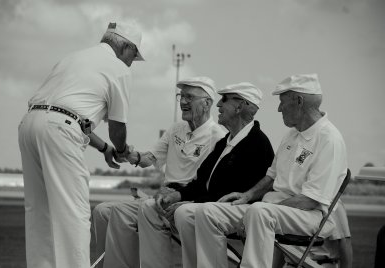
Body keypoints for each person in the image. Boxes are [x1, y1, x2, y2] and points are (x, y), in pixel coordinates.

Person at [18, 22, 144, 268]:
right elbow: (117, 127)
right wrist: (119, 149)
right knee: (73, 214)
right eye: (134, 56)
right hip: (59, 129)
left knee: (39, 212)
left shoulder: (72, 58)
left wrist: (104, 148)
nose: (132, 62)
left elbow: (75, 119)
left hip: (30, 125)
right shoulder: (119, 68)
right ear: (126, 46)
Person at [191, 73, 348, 268]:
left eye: (282, 102)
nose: (279, 108)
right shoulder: (291, 135)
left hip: (310, 216)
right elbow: (271, 177)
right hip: (272, 210)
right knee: (206, 212)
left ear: (298, 101)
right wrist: (247, 196)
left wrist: (263, 209)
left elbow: (311, 199)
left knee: (258, 212)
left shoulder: (329, 139)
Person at [92, 76, 226, 268]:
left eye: (189, 97)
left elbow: (208, 183)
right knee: (102, 211)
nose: (183, 102)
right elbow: (151, 159)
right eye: (181, 96)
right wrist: (130, 154)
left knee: (149, 207)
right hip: (161, 196)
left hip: (187, 199)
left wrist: (179, 195)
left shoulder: (218, 137)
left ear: (207, 103)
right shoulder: (176, 129)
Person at [138, 82, 275, 268]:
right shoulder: (225, 142)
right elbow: (201, 182)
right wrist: (177, 195)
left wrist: (194, 202)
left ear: (240, 106)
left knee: (187, 213)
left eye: (224, 100)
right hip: (213, 205)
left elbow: (232, 192)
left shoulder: (257, 144)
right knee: (161, 207)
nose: (218, 105)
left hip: (239, 209)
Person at [273, 200, 353, 268]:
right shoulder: (289, 199)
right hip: (290, 264)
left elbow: (344, 243)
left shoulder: (333, 202)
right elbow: (282, 242)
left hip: (319, 264)